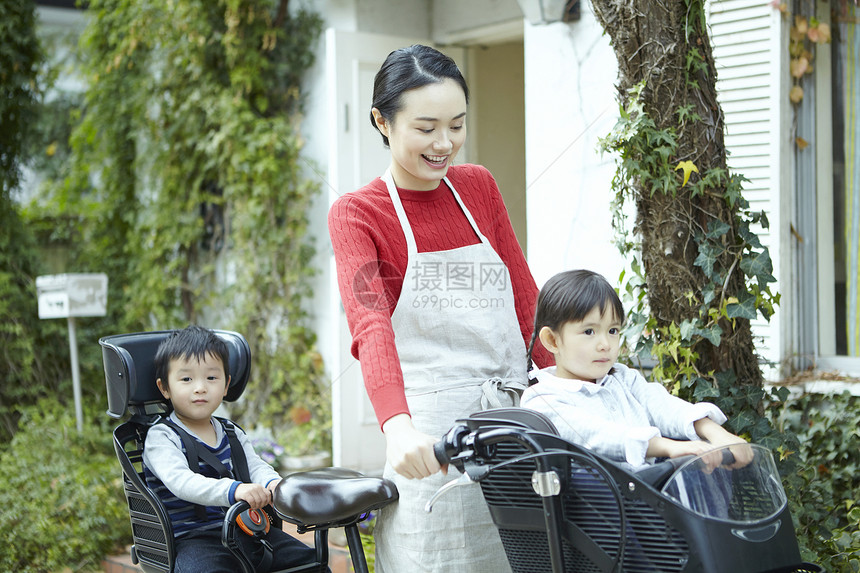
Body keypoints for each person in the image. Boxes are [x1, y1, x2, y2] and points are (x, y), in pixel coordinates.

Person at [328, 44, 552, 572]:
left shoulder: (478, 186)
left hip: (514, 426)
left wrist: (582, 385)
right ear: (382, 121)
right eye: (426, 127)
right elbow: (370, 324)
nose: (444, 143)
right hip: (431, 442)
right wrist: (398, 428)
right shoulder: (358, 214)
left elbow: (526, 300)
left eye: (457, 124)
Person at [522, 269, 752, 471]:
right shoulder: (543, 400)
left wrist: (713, 431)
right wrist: (667, 447)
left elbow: (661, 404)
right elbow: (597, 435)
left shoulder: (621, 378)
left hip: (651, 496)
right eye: (589, 332)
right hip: (600, 511)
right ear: (552, 340)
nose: (605, 344)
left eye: (613, 331)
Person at [142, 325, 320, 573]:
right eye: (186, 379)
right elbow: (181, 481)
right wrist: (235, 490)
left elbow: (254, 465)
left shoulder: (231, 432)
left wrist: (272, 483)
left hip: (243, 530)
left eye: (211, 378)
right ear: (165, 388)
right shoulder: (162, 437)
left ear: (226, 386)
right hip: (194, 541)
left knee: (309, 561)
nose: (200, 387)